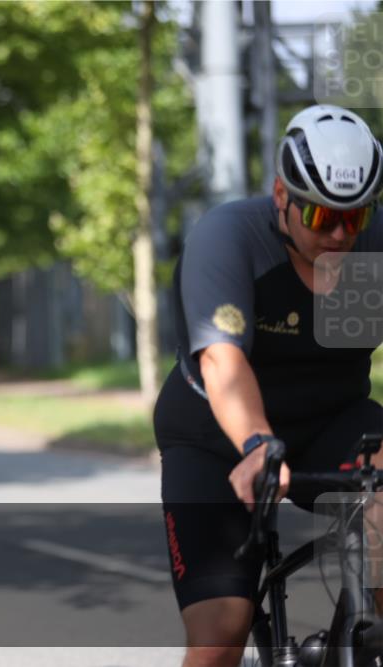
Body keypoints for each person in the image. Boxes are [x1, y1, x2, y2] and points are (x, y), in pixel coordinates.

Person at [154, 104, 383, 667]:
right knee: (221, 628)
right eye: (320, 216)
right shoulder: (229, 238)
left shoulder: (373, 247)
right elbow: (224, 363)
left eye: (353, 219)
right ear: (282, 196)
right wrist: (258, 446)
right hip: (216, 436)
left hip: (334, 420)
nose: (337, 234)